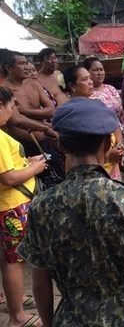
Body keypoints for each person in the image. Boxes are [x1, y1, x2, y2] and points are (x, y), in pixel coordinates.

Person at [17, 97, 124, 327]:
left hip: (71, 319)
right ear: (108, 143)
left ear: (61, 146)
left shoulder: (42, 205)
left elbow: (40, 283)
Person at [0, 86, 45, 327]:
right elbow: (7, 178)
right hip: (10, 205)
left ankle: (13, 300)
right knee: (14, 260)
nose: (13, 111)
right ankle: (17, 315)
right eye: (11, 106)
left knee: (8, 258)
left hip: (8, 204)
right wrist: (35, 169)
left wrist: (26, 162)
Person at [82, 57, 124, 123]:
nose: (100, 73)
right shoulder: (85, 93)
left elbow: (121, 109)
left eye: (101, 70)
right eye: (95, 70)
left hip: (118, 128)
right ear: (87, 72)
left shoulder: (110, 88)